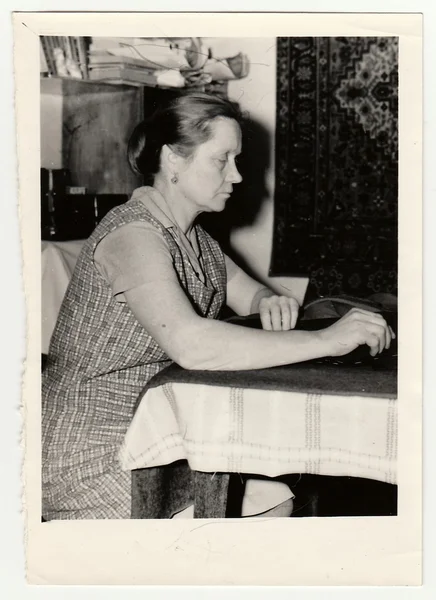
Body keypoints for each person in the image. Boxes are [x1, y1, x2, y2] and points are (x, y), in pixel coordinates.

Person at [42, 92, 394, 521]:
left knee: (274, 497)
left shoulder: (196, 240)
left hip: (157, 430)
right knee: (251, 508)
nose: (237, 175)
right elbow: (192, 345)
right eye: (222, 159)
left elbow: (251, 294)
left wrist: (271, 301)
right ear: (173, 160)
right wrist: (326, 340)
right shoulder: (134, 236)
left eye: (237, 159)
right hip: (92, 448)